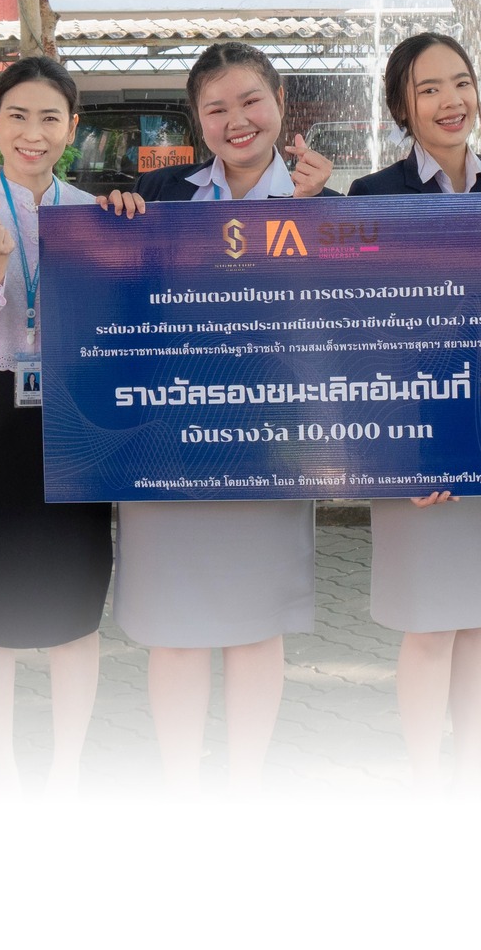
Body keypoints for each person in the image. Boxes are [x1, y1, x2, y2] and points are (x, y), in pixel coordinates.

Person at [120, 41, 335, 792]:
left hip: (272, 443)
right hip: (168, 439)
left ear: (279, 101)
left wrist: (305, 219)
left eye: (250, 101)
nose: (236, 121)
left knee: (255, 622)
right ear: (198, 121)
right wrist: (115, 229)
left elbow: (340, 328)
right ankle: (181, 786)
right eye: (216, 109)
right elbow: (122, 303)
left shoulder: (332, 208)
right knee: (172, 627)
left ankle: (245, 787)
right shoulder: (156, 196)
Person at [0, 56, 146, 793]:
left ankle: (65, 770)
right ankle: (3, 771)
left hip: (72, 413)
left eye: (49, 117)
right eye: (17, 115)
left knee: (73, 600)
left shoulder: (92, 211)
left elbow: (121, 321)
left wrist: (125, 240)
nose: (33, 131)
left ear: (72, 127)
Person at [346, 31, 481, 789]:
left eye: (460, 82)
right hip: (416, 443)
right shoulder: (373, 196)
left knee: (480, 615)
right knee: (429, 620)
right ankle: (426, 779)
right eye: (429, 87)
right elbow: (374, 335)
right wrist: (406, 449)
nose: (449, 100)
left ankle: (470, 772)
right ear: (403, 104)